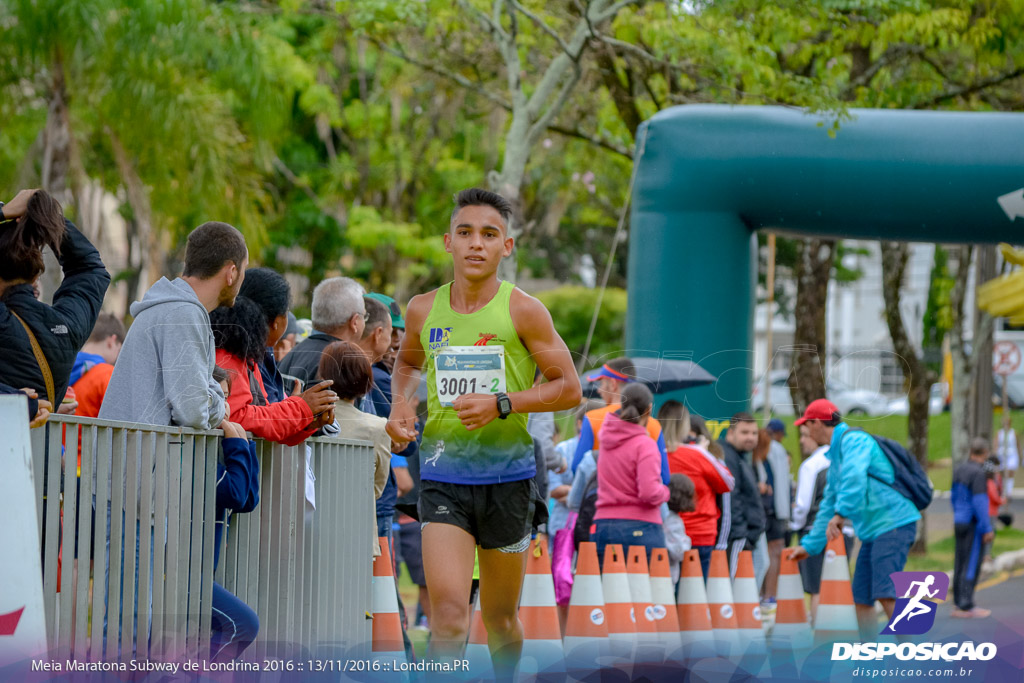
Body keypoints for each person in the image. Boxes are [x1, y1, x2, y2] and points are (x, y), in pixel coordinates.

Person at [386, 188, 582, 678]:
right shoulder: (421, 309)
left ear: (506, 247)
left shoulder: (525, 311)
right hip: (443, 477)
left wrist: (502, 403)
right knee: (449, 617)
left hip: (508, 481)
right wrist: (402, 402)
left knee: (499, 620)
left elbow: (570, 388)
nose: (477, 244)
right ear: (448, 241)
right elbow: (407, 363)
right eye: (466, 233)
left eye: (489, 235)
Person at [786, 399, 921, 640]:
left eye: (805, 425)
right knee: (861, 597)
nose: (803, 431)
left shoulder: (855, 441)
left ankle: (915, 656)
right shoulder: (836, 453)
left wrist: (841, 514)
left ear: (816, 423)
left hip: (894, 524)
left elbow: (854, 481)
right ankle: (870, 657)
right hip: (874, 531)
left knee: (885, 592)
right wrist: (809, 547)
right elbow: (827, 504)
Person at [100, 220, 247, 428]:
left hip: (132, 455)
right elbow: (193, 412)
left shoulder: (170, 308)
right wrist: (219, 405)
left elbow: (199, 398)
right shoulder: (184, 313)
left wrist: (208, 398)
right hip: (142, 457)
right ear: (231, 273)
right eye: (244, 270)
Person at [0, 189, 110, 408]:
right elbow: (89, 268)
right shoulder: (66, 327)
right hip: (40, 443)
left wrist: (4, 212)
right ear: (35, 276)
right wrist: (48, 218)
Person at [210, 296, 336, 445]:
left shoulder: (248, 358)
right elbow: (236, 416)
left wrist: (305, 420)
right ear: (274, 321)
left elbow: (265, 423)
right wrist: (299, 408)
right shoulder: (229, 357)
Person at [318, 341, 392, 555]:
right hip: (358, 533)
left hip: (312, 531)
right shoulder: (377, 427)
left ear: (324, 375)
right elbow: (377, 486)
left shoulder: (307, 422)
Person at [209, 367, 261, 662]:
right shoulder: (194, 456)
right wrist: (237, 445)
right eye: (219, 396)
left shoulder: (218, 451)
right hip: (179, 577)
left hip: (200, 575)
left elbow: (248, 500)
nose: (227, 406)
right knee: (242, 625)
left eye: (227, 397)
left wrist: (245, 445)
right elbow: (235, 493)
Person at [591, 383, 670, 562]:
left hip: (603, 525)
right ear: (649, 410)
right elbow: (649, 492)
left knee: (609, 589)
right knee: (643, 589)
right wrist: (665, 492)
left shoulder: (606, 440)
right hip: (641, 526)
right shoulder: (645, 445)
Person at [659, 400, 734, 580]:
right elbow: (727, 483)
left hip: (664, 532)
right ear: (684, 426)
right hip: (700, 533)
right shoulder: (697, 454)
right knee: (696, 596)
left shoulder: (654, 453)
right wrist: (704, 452)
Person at [571, 357, 670, 485]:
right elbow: (664, 477)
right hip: (642, 500)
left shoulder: (592, 418)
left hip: (602, 500)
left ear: (613, 384)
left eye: (601, 383)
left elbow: (578, 468)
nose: (599, 390)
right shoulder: (654, 424)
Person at [789, 422, 842, 624]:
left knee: (817, 587)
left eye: (805, 435)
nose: (802, 441)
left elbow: (803, 504)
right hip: (845, 530)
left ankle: (820, 634)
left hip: (816, 530)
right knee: (839, 584)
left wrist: (795, 526)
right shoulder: (843, 458)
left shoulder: (811, 465)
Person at [279, 277, 366, 388]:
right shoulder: (344, 366)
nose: (365, 322)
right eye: (365, 316)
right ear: (354, 322)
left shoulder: (291, 356)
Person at [950, 437, 995, 619]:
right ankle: (966, 604)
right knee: (971, 563)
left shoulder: (959, 469)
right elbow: (980, 502)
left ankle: (958, 601)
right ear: (985, 453)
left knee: (960, 562)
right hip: (972, 523)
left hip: (959, 520)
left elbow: (954, 496)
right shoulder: (978, 473)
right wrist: (987, 528)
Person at [717, 413, 764, 579]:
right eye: (744, 433)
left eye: (754, 433)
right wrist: (741, 535)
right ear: (731, 433)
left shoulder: (740, 457)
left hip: (749, 534)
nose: (750, 438)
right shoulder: (727, 456)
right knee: (734, 583)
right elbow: (730, 499)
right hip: (738, 536)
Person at [237, 267, 294, 404]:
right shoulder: (247, 357)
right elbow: (262, 415)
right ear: (276, 321)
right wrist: (298, 408)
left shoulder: (257, 349)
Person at [70, 313, 125, 417]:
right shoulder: (107, 374)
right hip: (87, 434)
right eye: (119, 349)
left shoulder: (64, 367)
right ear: (111, 341)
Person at [761, 419, 792, 607]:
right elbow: (782, 485)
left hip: (767, 509)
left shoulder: (763, 449)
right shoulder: (777, 450)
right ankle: (770, 596)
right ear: (778, 433)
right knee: (774, 552)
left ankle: (763, 594)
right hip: (775, 511)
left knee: (764, 553)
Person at [664, 473, 696, 583]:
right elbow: (680, 551)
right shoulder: (674, 521)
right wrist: (687, 541)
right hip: (667, 575)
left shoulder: (662, 515)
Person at [995, 414, 1020, 498]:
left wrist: (1020, 456)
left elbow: (1017, 445)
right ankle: (1002, 490)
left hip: (1012, 454)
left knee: (1010, 472)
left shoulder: (1014, 433)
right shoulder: (999, 433)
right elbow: (996, 444)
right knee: (1002, 472)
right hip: (1002, 454)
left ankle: (1008, 491)